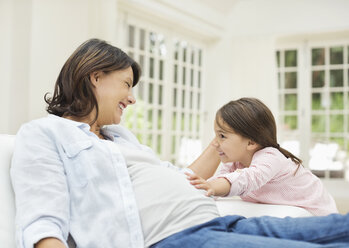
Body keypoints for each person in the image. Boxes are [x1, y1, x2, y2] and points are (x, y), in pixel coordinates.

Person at [10, 39, 349, 248]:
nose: (132, 99)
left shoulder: (121, 138)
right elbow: (43, 219)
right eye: (127, 84)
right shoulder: (44, 134)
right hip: (181, 238)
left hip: (219, 222)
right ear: (95, 77)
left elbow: (182, 178)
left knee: (340, 227)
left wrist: (224, 137)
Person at [186, 98, 338, 216]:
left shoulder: (271, 157)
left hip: (318, 212)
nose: (215, 143)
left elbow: (246, 179)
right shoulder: (234, 163)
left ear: (251, 142)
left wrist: (212, 187)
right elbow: (219, 181)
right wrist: (202, 191)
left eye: (222, 136)